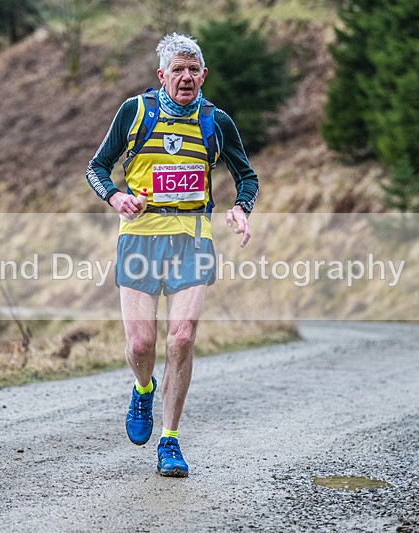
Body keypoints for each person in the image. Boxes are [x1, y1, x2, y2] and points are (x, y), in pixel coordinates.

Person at [85, 33, 258, 477]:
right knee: (141, 344)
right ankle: (143, 388)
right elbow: (96, 167)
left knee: (181, 338)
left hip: (192, 239)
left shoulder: (216, 121)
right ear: (161, 76)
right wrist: (115, 198)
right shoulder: (135, 111)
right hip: (140, 238)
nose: (185, 78)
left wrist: (241, 208)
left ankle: (171, 440)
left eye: (192, 70)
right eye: (176, 70)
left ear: (203, 75)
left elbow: (247, 176)